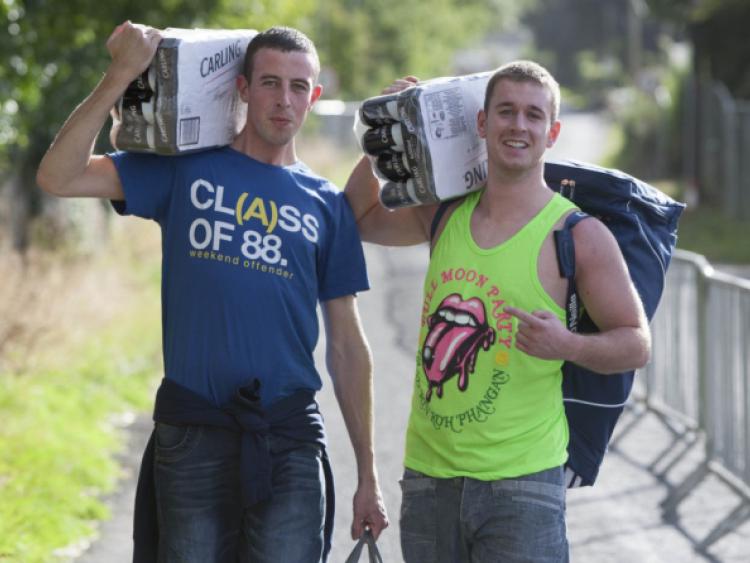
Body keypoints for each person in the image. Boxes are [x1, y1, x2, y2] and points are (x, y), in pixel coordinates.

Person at [36, 21, 388, 563]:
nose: (284, 99)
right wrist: (120, 73)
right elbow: (59, 177)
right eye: (270, 82)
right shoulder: (185, 169)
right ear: (243, 89)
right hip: (193, 432)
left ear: (314, 97)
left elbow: (347, 346)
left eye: (299, 87)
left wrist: (368, 474)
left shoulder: (325, 206)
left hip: (289, 438)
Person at [344, 61, 651, 562]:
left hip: (522, 487)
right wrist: (385, 131)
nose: (518, 125)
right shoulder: (444, 211)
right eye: (505, 111)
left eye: (533, 115)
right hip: (429, 479)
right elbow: (357, 218)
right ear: (482, 123)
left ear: (551, 133)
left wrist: (568, 346)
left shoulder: (577, 236)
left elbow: (636, 343)